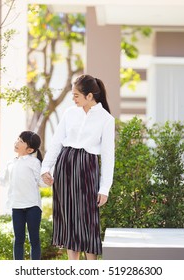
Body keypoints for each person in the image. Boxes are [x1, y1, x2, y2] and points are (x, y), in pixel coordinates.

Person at [41, 74, 115, 260]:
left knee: (88, 221)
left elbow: (107, 156)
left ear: (89, 96)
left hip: (87, 168)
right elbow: (57, 142)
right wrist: (46, 168)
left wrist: (105, 188)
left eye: (76, 95)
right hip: (65, 166)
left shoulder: (106, 119)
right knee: (68, 220)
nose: (73, 99)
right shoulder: (69, 113)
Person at [0, 131, 43, 260]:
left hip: (33, 206)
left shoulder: (34, 163)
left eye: (21, 141)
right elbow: (4, 181)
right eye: (18, 139)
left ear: (30, 149)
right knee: (18, 239)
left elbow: (41, 182)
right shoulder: (11, 163)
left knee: (34, 239)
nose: (17, 142)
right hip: (17, 206)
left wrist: (48, 180)